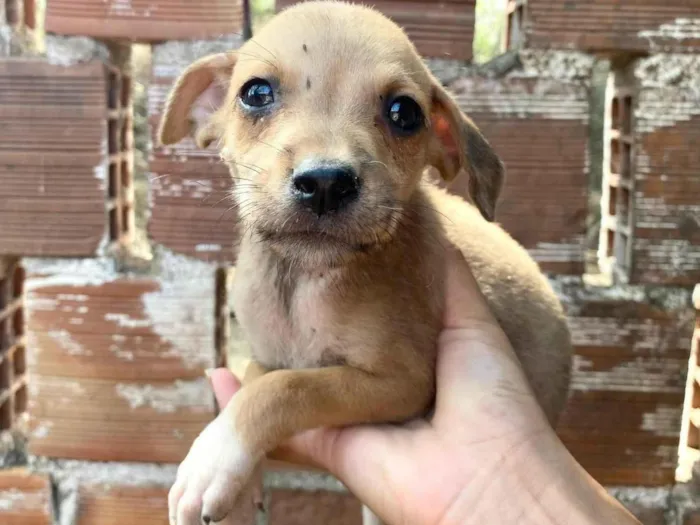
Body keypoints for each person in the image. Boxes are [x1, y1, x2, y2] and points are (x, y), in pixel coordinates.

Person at [207, 251, 642, 525]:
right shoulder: (255, 285)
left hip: (521, 367)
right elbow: (278, 369)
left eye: (401, 115)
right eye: (258, 97)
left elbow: (392, 382)